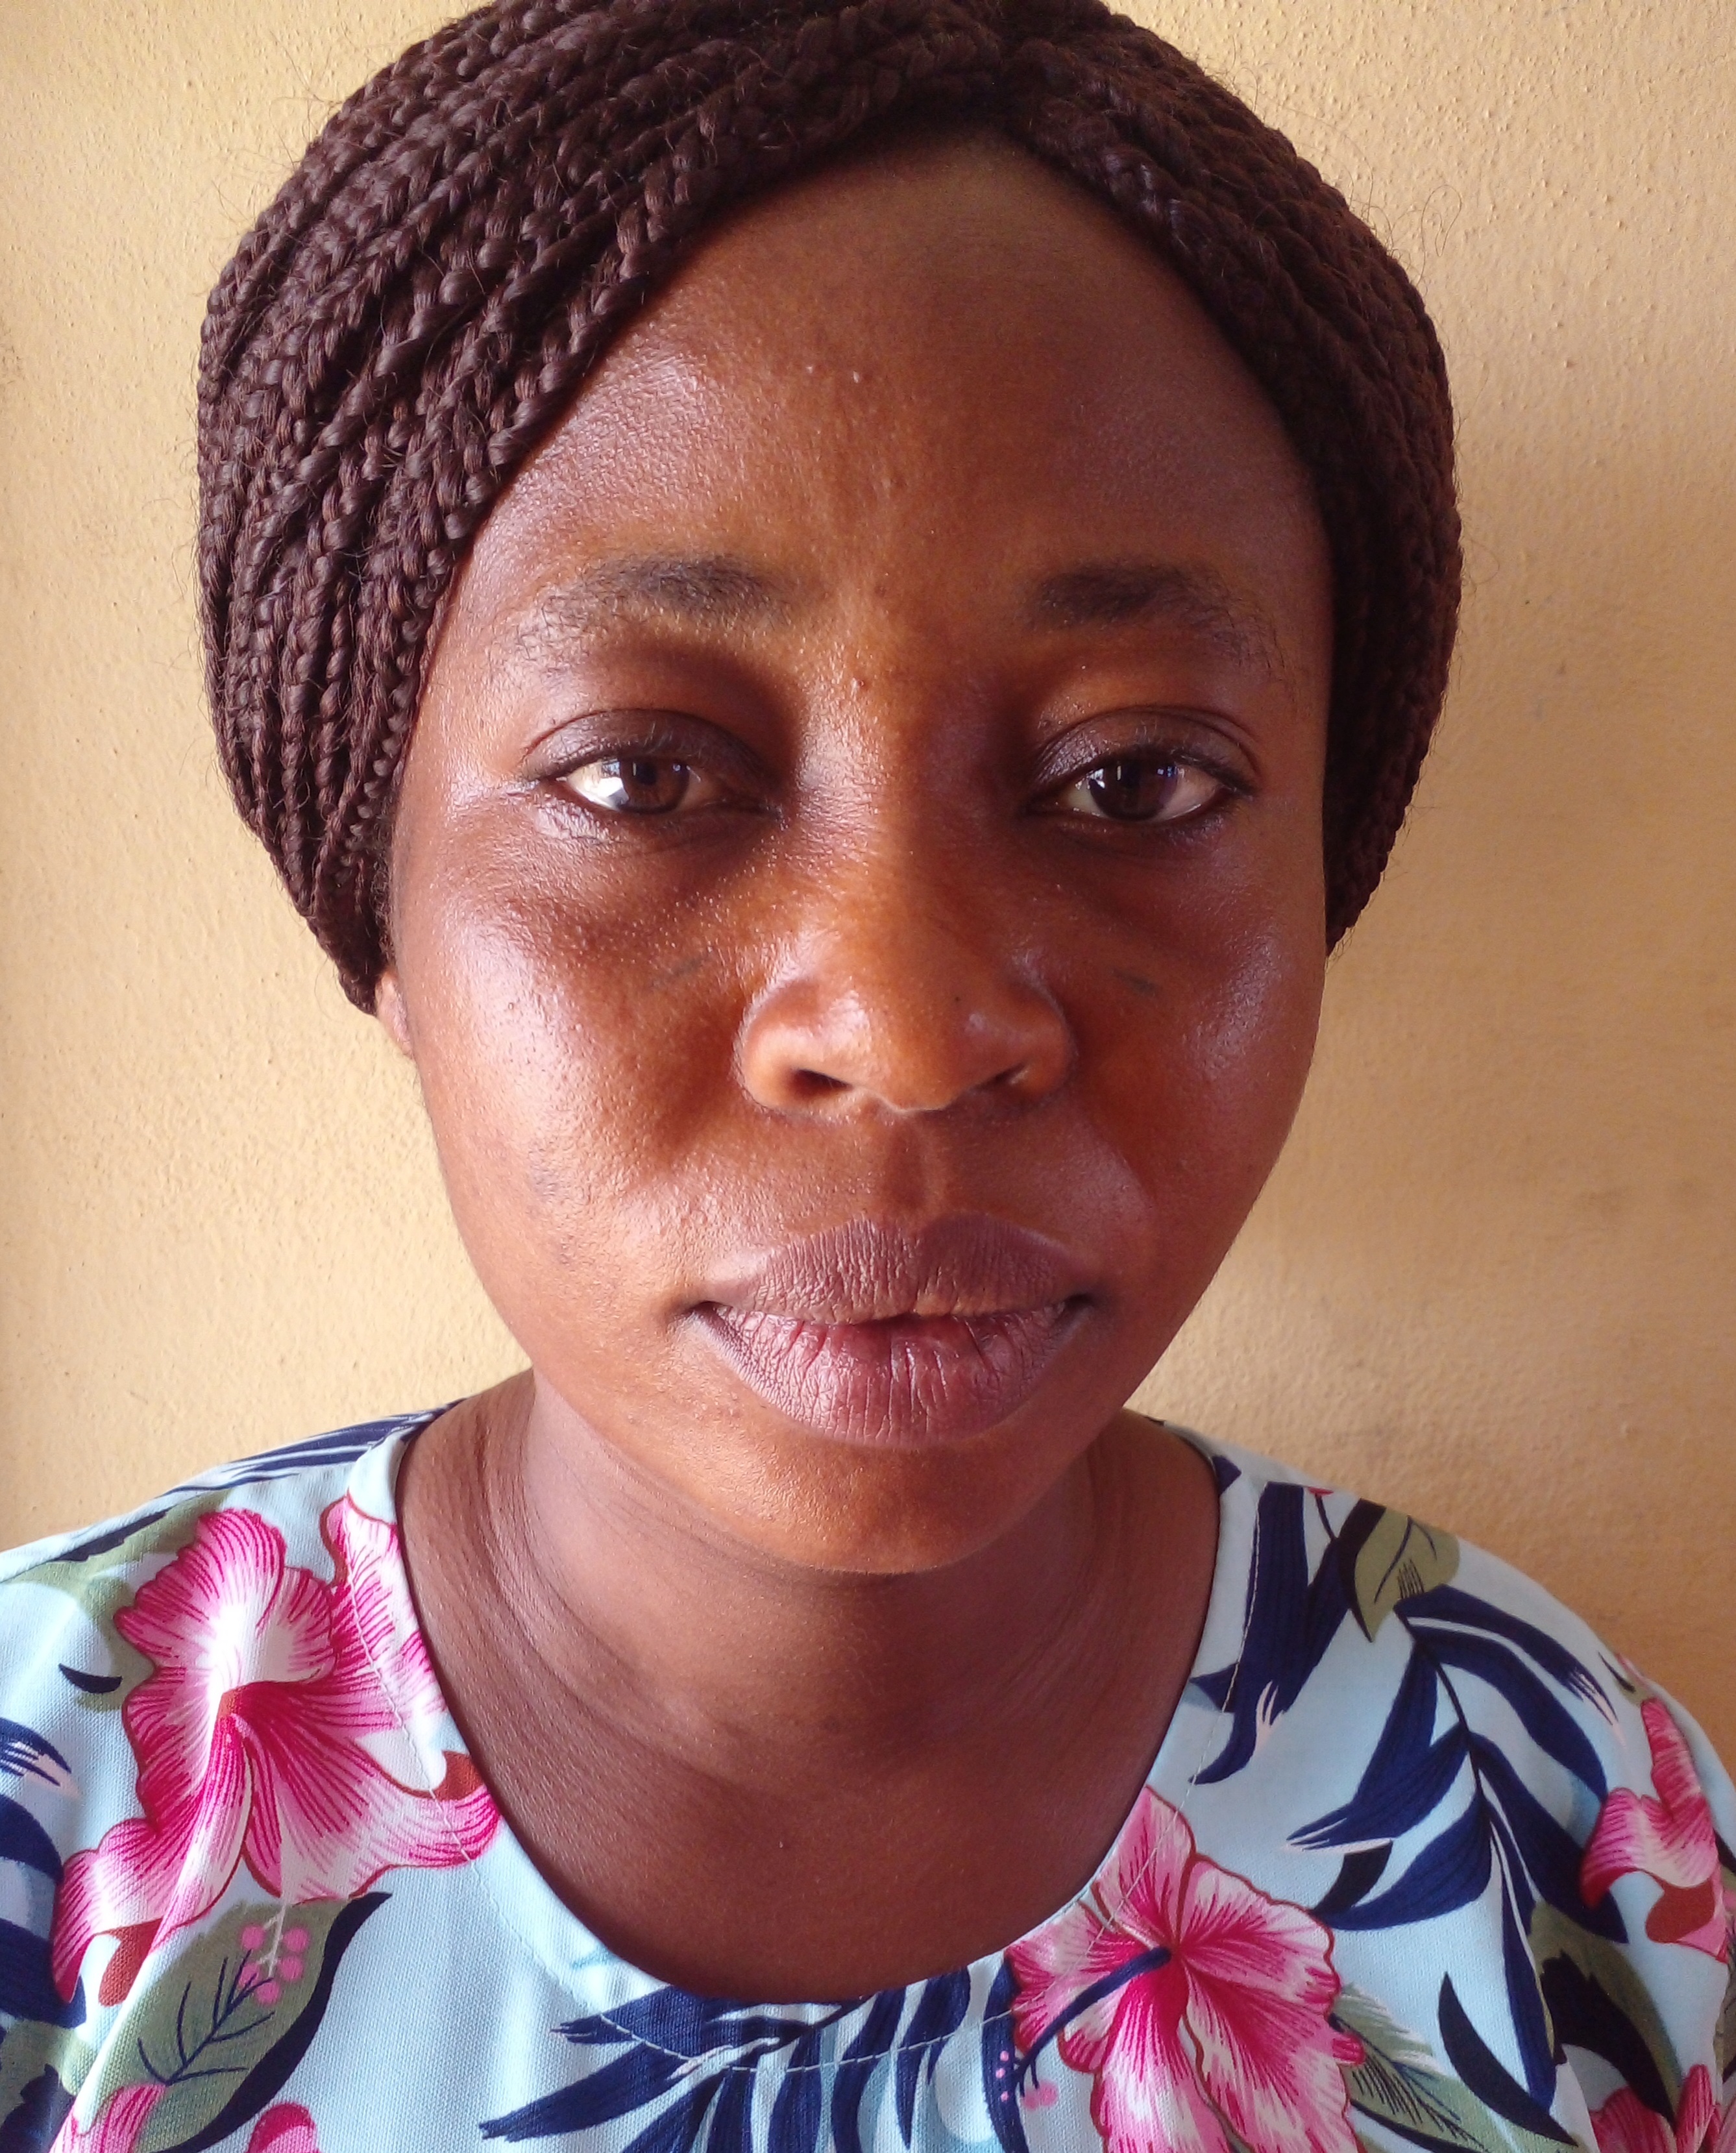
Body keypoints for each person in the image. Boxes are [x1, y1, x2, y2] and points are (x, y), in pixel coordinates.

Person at [1, 0, 1728, 2147]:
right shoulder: (49, 1822)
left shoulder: (1571, 1841)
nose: (908, 1034)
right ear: (376, 898)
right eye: (642, 775)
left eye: (1136, 778)